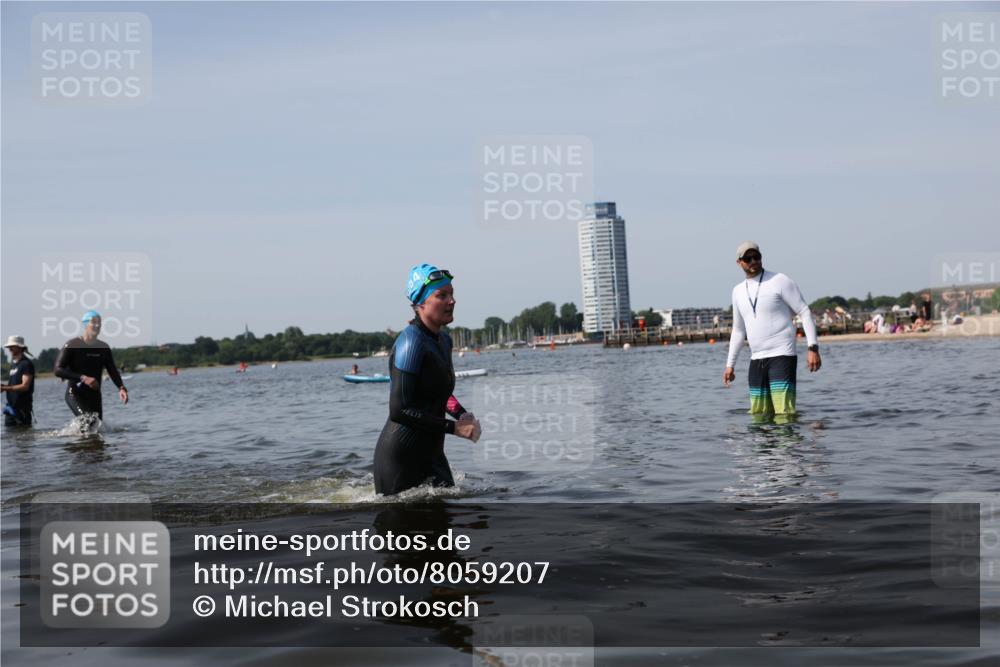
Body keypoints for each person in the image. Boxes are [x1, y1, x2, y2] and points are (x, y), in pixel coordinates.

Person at [373, 264, 479, 495]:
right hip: (400, 460)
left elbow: (439, 393)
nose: (452, 301)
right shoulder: (411, 343)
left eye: (452, 294)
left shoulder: (444, 341)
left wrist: (461, 414)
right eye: (442, 295)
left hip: (432, 454)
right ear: (420, 303)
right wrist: (454, 428)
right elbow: (399, 410)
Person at [723, 242, 821, 420]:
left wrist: (812, 348)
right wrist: (730, 365)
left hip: (782, 354)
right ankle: (764, 448)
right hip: (756, 359)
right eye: (748, 258)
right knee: (758, 416)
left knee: (784, 414)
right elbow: (738, 330)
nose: (753, 261)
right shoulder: (737, 291)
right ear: (739, 262)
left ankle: (787, 447)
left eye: (756, 257)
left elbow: (804, 312)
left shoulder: (779, 280)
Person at [54, 311, 129, 421]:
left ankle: (80, 437)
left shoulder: (103, 347)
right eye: (93, 322)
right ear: (85, 324)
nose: (97, 325)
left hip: (95, 395)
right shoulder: (72, 345)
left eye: (99, 322)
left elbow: (112, 370)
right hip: (75, 394)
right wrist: (83, 378)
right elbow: (57, 370)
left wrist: (121, 388)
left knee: (97, 427)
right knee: (88, 421)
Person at [2, 335, 35, 427]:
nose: (9, 349)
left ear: (20, 347)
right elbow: (13, 383)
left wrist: (5, 388)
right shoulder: (13, 364)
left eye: (12, 347)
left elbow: (25, 386)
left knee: (23, 439)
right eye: (9, 347)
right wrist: (3, 386)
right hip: (10, 409)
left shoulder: (26, 364)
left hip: (22, 410)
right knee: (10, 439)